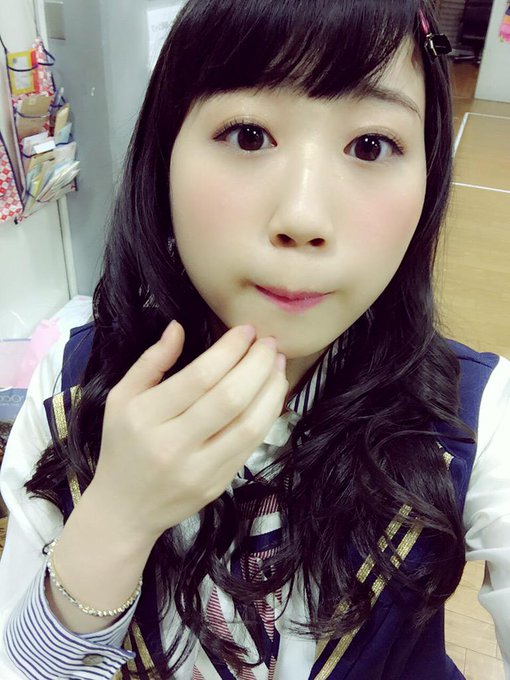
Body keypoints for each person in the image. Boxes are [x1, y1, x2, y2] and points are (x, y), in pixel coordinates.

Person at [0, 0, 509, 678]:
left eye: (370, 145)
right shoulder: (69, 392)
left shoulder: (477, 415)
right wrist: (116, 519)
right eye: (247, 135)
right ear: (165, 155)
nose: (303, 216)